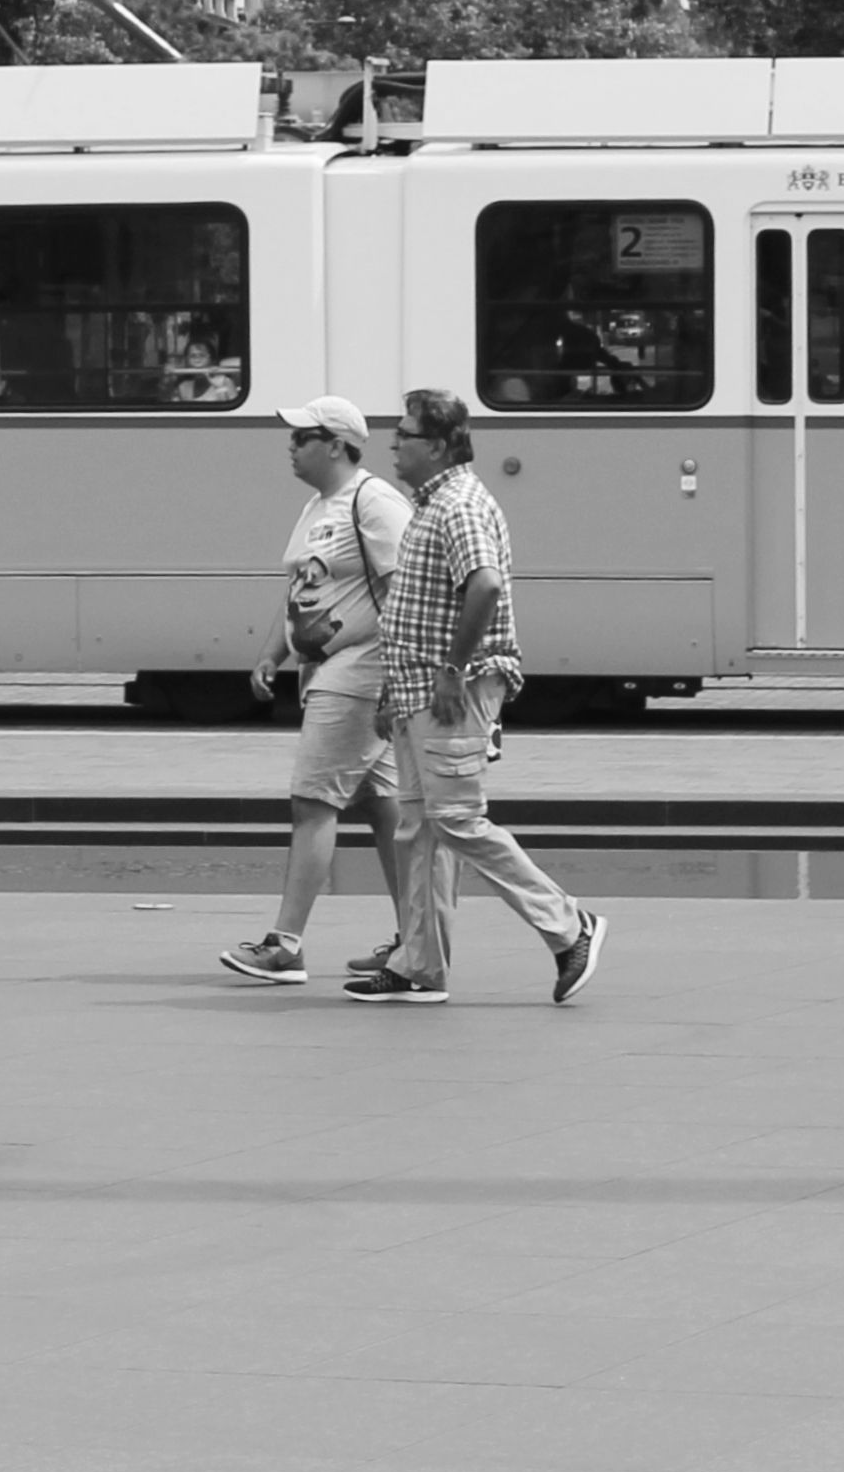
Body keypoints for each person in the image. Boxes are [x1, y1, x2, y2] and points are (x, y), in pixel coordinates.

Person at [351, 387, 605, 1008]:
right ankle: (420, 965)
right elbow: (421, 610)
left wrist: (450, 670)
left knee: (455, 821)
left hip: (450, 693)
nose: (393, 445)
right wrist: (396, 691)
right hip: (420, 692)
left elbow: (485, 584)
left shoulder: (459, 504)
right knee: (419, 831)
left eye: (404, 436)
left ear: (436, 445)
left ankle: (569, 926)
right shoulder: (434, 502)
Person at [223, 397, 417, 986]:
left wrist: (400, 675)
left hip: (360, 670)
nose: (291, 445)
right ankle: (417, 939)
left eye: (303, 436)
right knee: (380, 807)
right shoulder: (316, 506)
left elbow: (407, 591)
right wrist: (271, 652)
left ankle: (285, 946)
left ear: (336, 443)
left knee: (312, 801)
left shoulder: (374, 500)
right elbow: (300, 590)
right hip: (328, 670)